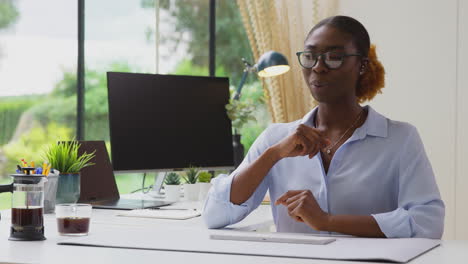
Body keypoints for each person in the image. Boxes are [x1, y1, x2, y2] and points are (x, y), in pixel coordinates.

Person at [202, 16, 444, 238]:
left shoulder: (400, 139)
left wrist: (328, 221)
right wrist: (273, 155)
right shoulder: (276, 139)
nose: (318, 66)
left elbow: (427, 222)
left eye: (334, 57)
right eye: (310, 56)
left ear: (361, 66)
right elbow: (215, 215)